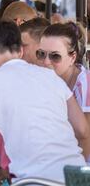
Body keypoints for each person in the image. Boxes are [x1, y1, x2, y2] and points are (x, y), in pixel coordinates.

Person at [0, 20, 88, 183]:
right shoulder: (51, 77)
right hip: (77, 177)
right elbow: (83, 130)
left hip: (34, 180)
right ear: (20, 51)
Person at [38, 22, 90, 158]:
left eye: (55, 56)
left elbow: (85, 139)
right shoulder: (47, 81)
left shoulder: (85, 85)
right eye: (41, 54)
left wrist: (72, 177)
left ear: (72, 57)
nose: (46, 62)